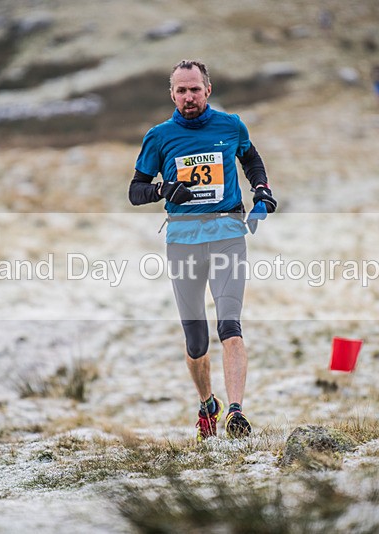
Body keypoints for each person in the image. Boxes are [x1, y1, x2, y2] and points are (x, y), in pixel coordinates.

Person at [128, 60, 277, 441]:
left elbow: (251, 158)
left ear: (207, 90)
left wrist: (261, 190)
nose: (188, 97)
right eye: (181, 90)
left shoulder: (231, 125)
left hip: (228, 235)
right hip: (182, 242)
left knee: (230, 326)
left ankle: (236, 412)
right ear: (172, 94)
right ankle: (208, 403)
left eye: (195, 89)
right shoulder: (159, 137)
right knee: (197, 342)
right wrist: (163, 190)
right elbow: (136, 191)